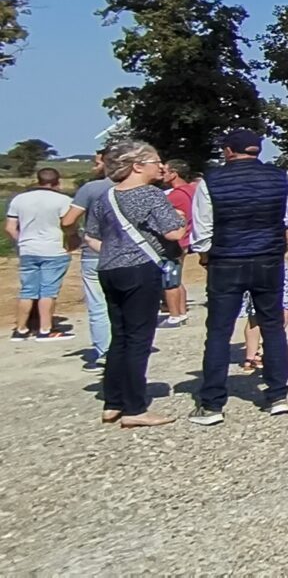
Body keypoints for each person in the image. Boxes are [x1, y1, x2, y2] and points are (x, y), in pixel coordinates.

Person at [187, 129, 288, 426]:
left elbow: (202, 233)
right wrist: (279, 249)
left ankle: (212, 403)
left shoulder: (211, 181)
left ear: (228, 150)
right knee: (273, 326)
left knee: (219, 331)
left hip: (226, 260)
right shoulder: (283, 177)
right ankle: (277, 395)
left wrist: (207, 258)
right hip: (268, 260)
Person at [83, 140, 186, 428]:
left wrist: (115, 250)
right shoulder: (150, 194)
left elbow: (91, 236)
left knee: (120, 336)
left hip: (109, 268)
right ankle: (135, 408)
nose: (161, 166)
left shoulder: (106, 196)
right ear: (137, 166)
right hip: (140, 269)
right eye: (155, 162)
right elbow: (174, 233)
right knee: (139, 339)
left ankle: (113, 402)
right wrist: (180, 219)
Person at [59, 152, 113, 369]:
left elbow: (68, 220)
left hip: (95, 252)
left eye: (97, 162)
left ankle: (104, 351)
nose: (94, 167)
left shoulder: (91, 188)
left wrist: (72, 236)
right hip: (132, 254)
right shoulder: (143, 188)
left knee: (98, 305)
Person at [7, 168, 74, 341]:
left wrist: (21, 242)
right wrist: (72, 241)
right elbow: (68, 225)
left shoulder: (19, 199)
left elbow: (10, 228)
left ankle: (21, 329)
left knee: (27, 290)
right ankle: (45, 329)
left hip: (28, 249)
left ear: (37, 180)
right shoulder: (64, 200)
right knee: (48, 291)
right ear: (57, 182)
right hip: (54, 249)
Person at [158, 160, 197, 329]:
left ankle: (175, 315)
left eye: (165, 171)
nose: (162, 175)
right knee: (176, 278)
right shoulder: (191, 190)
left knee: (170, 279)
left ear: (174, 173)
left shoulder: (174, 196)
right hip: (187, 238)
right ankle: (181, 312)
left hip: (175, 241)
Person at [240, 266, 288, 372]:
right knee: (286, 309)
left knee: (255, 314)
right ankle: (268, 347)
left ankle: (251, 358)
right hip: (271, 266)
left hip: (251, 268)